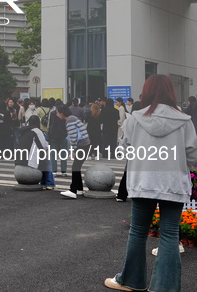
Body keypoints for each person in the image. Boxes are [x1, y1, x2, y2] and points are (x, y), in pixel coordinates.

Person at [104, 75, 197, 292]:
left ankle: (131, 281)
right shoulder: (183, 120)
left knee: (138, 231)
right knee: (170, 233)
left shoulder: (135, 118)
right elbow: (192, 156)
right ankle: (164, 287)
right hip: (174, 183)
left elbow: (124, 150)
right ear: (170, 92)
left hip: (143, 181)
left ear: (146, 92)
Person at [57, 105, 90, 199]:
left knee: (75, 167)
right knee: (77, 166)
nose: (57, 115)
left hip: (81, 145)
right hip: (85, 144)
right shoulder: (73, 118)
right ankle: (79, 189)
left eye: (58, 113)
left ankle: (73, 190)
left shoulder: (69, 121)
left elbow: (73, 136)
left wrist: (74, 149)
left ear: (62, 113)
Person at [47, 100, 68, 176]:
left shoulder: (52, 113)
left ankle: (54, 171)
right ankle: (64, 171)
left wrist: (48, 137)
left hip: (53, 136)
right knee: (63, 155)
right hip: (63, 136)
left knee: (53, 154)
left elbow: (49, 126)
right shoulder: (65, 114)